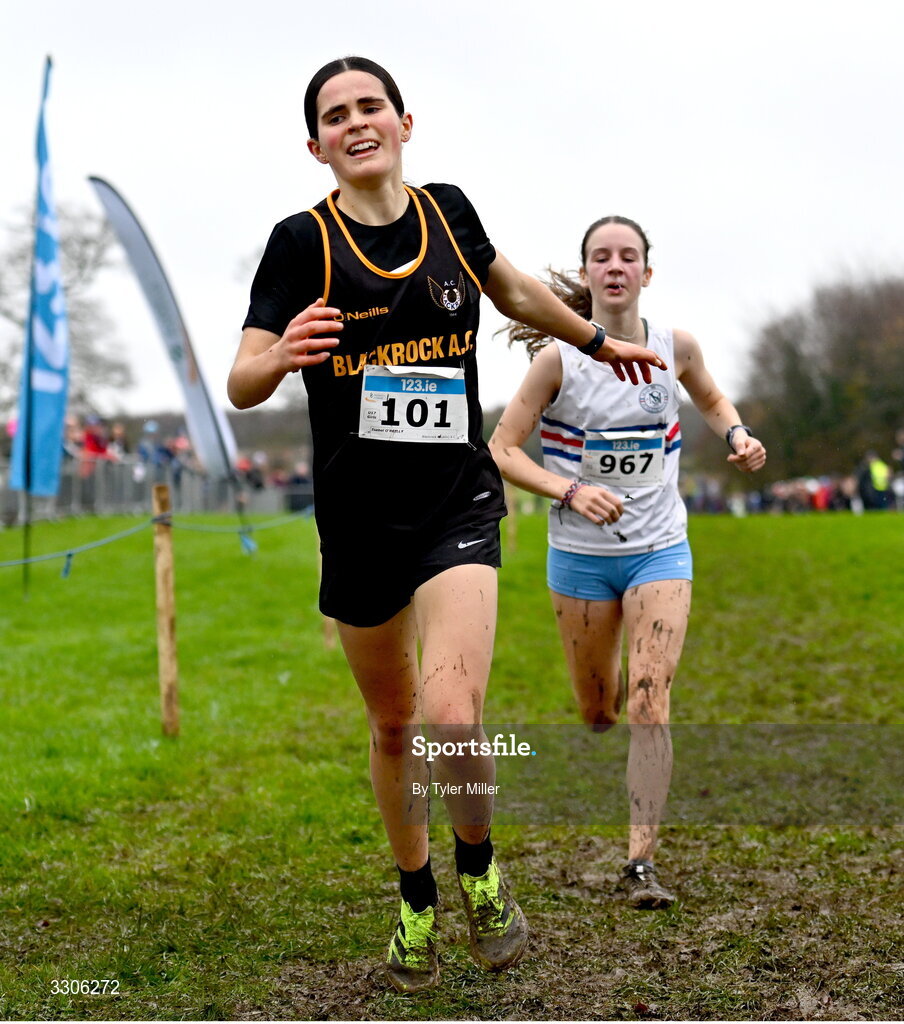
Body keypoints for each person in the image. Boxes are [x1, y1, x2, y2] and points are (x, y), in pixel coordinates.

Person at [227, 58, 667, 991]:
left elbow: (511, 293)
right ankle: (416, 895)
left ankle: (481, 872)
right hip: (357, 520)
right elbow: (241, 378)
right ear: (316, 145)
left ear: (404, 122)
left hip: (454, 505)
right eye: (335, 115)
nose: (356, 122)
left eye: (370, 106)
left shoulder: (450, 214)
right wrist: (280, 361)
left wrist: (596, 337)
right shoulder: (297, 243)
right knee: (393, 728)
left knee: (450, 712)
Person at [489, 215, 766, 910]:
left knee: (649, 698)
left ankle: (640, 863)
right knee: (599, 711)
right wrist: (571, 490)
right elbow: (504, 449)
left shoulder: (677, 347)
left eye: (628, 256)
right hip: (580, 561)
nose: (615, 267)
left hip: (659, 551)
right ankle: (602, 694)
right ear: (585, 276)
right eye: (601, 258)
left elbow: (708, 396)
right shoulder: (558, 359)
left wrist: (736, 432)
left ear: (648, 272)